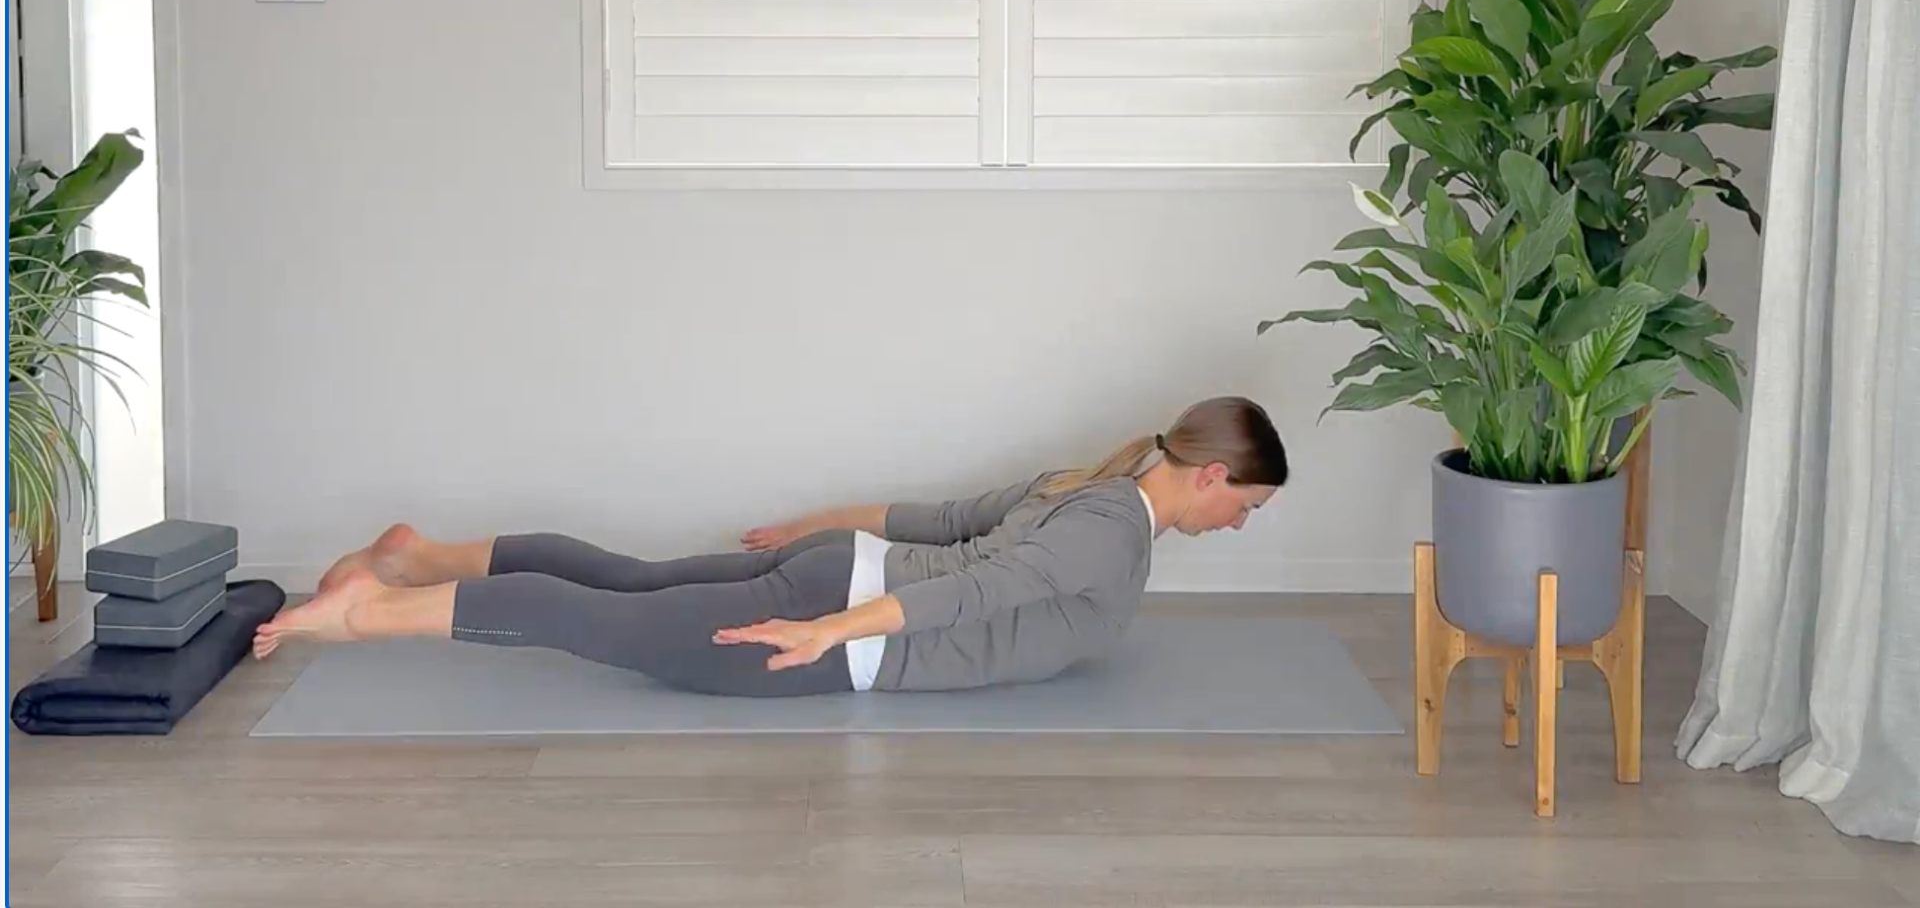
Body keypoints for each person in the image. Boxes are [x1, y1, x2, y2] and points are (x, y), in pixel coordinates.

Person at [254, 395, 1289, 696]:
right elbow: (982, 588)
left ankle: (421, 556)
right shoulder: (1115, 527)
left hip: (843, 568)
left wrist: (815, 529)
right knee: (608, 623)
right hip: (858, 623)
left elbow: (946, 520)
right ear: (1209, 475)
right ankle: (364, 616)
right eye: (1246, 504)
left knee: (632, 578)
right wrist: (831, 631)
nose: (1240, 523)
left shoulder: (1091, 487)